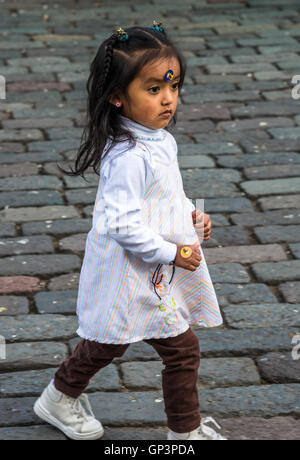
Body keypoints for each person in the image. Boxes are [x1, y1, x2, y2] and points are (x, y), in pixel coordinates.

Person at [33, 21, 226, 441]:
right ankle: (59, 397)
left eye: (173, 86)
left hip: (154, 274)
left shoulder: (159, 140)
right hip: (128, 271)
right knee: (111, 343)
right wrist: (174, 253)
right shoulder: (128, 155)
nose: (168, 99)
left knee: (178, 350)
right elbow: (121, 223)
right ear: (118, 97)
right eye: (154, 89)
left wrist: (193, 215)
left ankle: (184, 432)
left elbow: (165, 196)